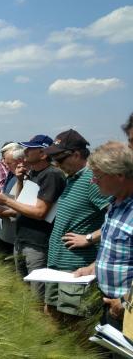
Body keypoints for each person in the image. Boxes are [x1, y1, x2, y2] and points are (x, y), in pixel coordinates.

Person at [41, 130, 110, 319]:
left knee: (74, 323)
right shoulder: (72, 179)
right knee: (52, 314)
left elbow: (121, 220)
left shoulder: (92, 181)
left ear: (76, 154)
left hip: (78, 269)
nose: (56, 164)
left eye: (60, 159)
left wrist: (89, 238)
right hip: (57, 266)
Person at [0, 135, 66, 300]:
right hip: (22, 240)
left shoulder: (51, 175)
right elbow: (21, 203)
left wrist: (5, 201)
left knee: (36, 297)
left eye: (30, 148)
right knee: (24, 293)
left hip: (37, 243)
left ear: (43, 154)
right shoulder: (33, 173)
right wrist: (19, 181)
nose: (25, 151)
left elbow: (40, 213)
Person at [74, 141, 133, 330]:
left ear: (120, 175)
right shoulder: (115, 203)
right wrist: (93, 267)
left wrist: (125, 302)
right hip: (111, 306)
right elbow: (114, 247)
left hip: (127, 311)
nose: (93, 181)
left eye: (98, 176)